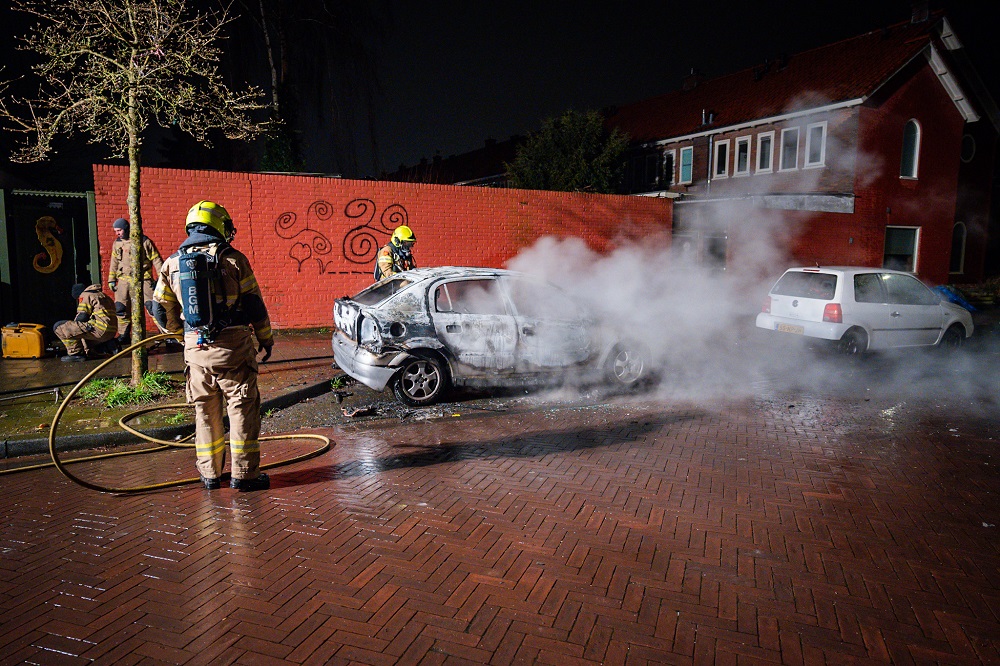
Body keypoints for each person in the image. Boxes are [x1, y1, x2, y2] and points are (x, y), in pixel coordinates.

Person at [152, 201, 274, 492]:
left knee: (205, 412)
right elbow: (254, 304)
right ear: (219, 226)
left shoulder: (172, 263)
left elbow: (158, 309)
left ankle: (209, 475)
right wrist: (266, 338)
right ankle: (244, 476)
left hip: (196, 351)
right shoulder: (234, 260)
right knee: (242, 409)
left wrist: (182, 336)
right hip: (234, 349)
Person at [108, 217, 165, 344]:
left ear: (126, 229)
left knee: (153, 307)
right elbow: (114, 262)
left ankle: (165, 334)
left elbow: (156, 259)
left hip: (143, 279)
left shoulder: (143, 241)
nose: (117, 233)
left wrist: (161, 278)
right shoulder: (117, 243)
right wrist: (111, 280)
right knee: (121, 308)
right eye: (115, 231)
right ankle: (123, 335)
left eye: (119, 230)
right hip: (123, 280)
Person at [54, 283, 118, 362]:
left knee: (60, 327)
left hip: (99, 330)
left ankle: (76, 353)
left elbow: (82, 317)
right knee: (84, 331)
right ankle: (106, 345)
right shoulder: (103, 295)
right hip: (111, 332)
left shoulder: (85, 295)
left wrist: (72, 326)